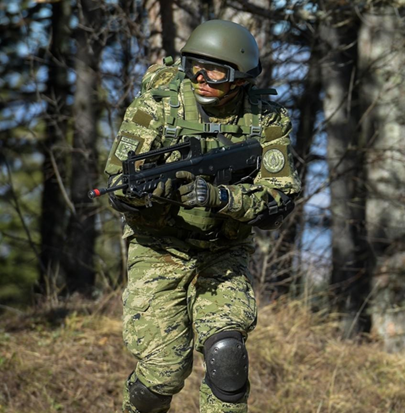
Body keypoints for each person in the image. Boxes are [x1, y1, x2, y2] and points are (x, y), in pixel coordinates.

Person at [103, 20, 300, 413]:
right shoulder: (156, 107)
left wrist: (221, 197)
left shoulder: (267, 120)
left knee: (227, 356)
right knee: (163, 374)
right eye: (194, 65)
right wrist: (150, 195)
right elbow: (117, 186)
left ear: (241, 79)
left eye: (216, 72)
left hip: (223, 250)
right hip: (159, 247)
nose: (201, 78)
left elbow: (278, 201)